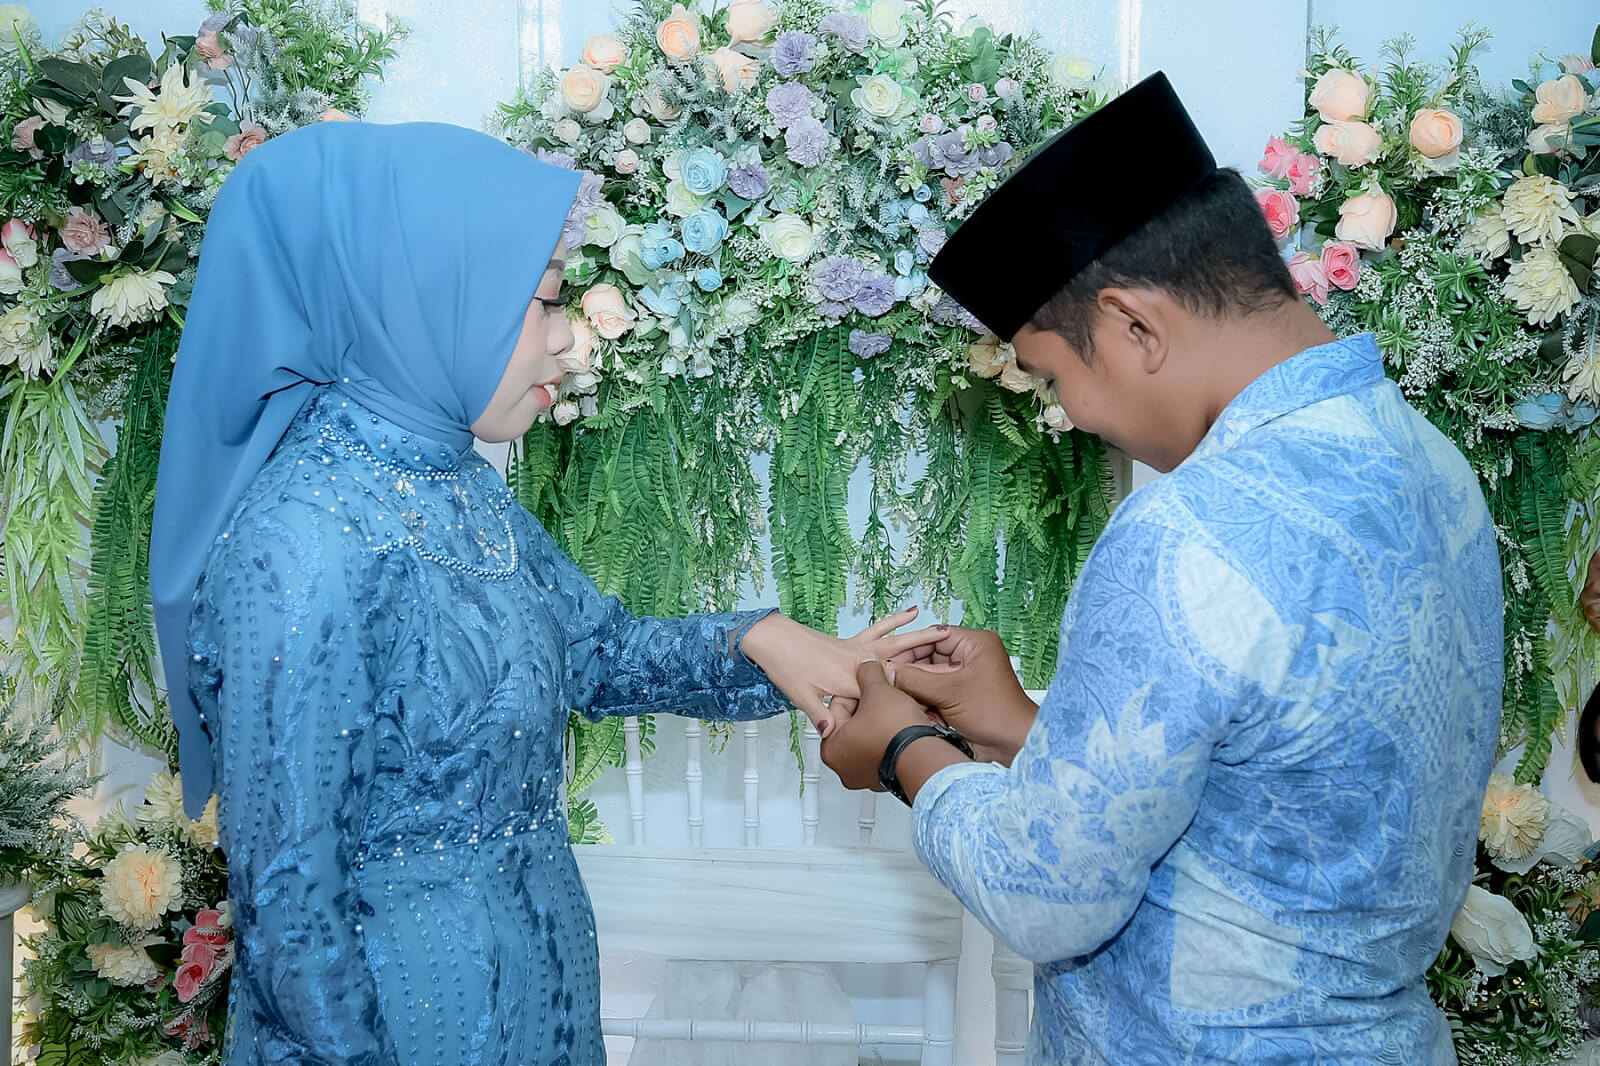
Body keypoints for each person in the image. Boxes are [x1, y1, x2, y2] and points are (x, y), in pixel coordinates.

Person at [149, 120, 932, 1066]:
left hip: (541, 995)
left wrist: (763, 639)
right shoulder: (302, 542)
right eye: (547, 302)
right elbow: (290, 910)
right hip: (407, 1023)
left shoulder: (456, 482)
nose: (569, 343)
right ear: (429, 295)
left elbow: (594, 651)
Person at [821, 72, 1503, 1063]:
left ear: (1134, 325)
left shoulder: (1186, 528)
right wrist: (1019, 725)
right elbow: (1283, 805)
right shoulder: (1431, 465)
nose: (1069, 416)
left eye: (1053, 376)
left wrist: (902, 753)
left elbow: (1042, 896)